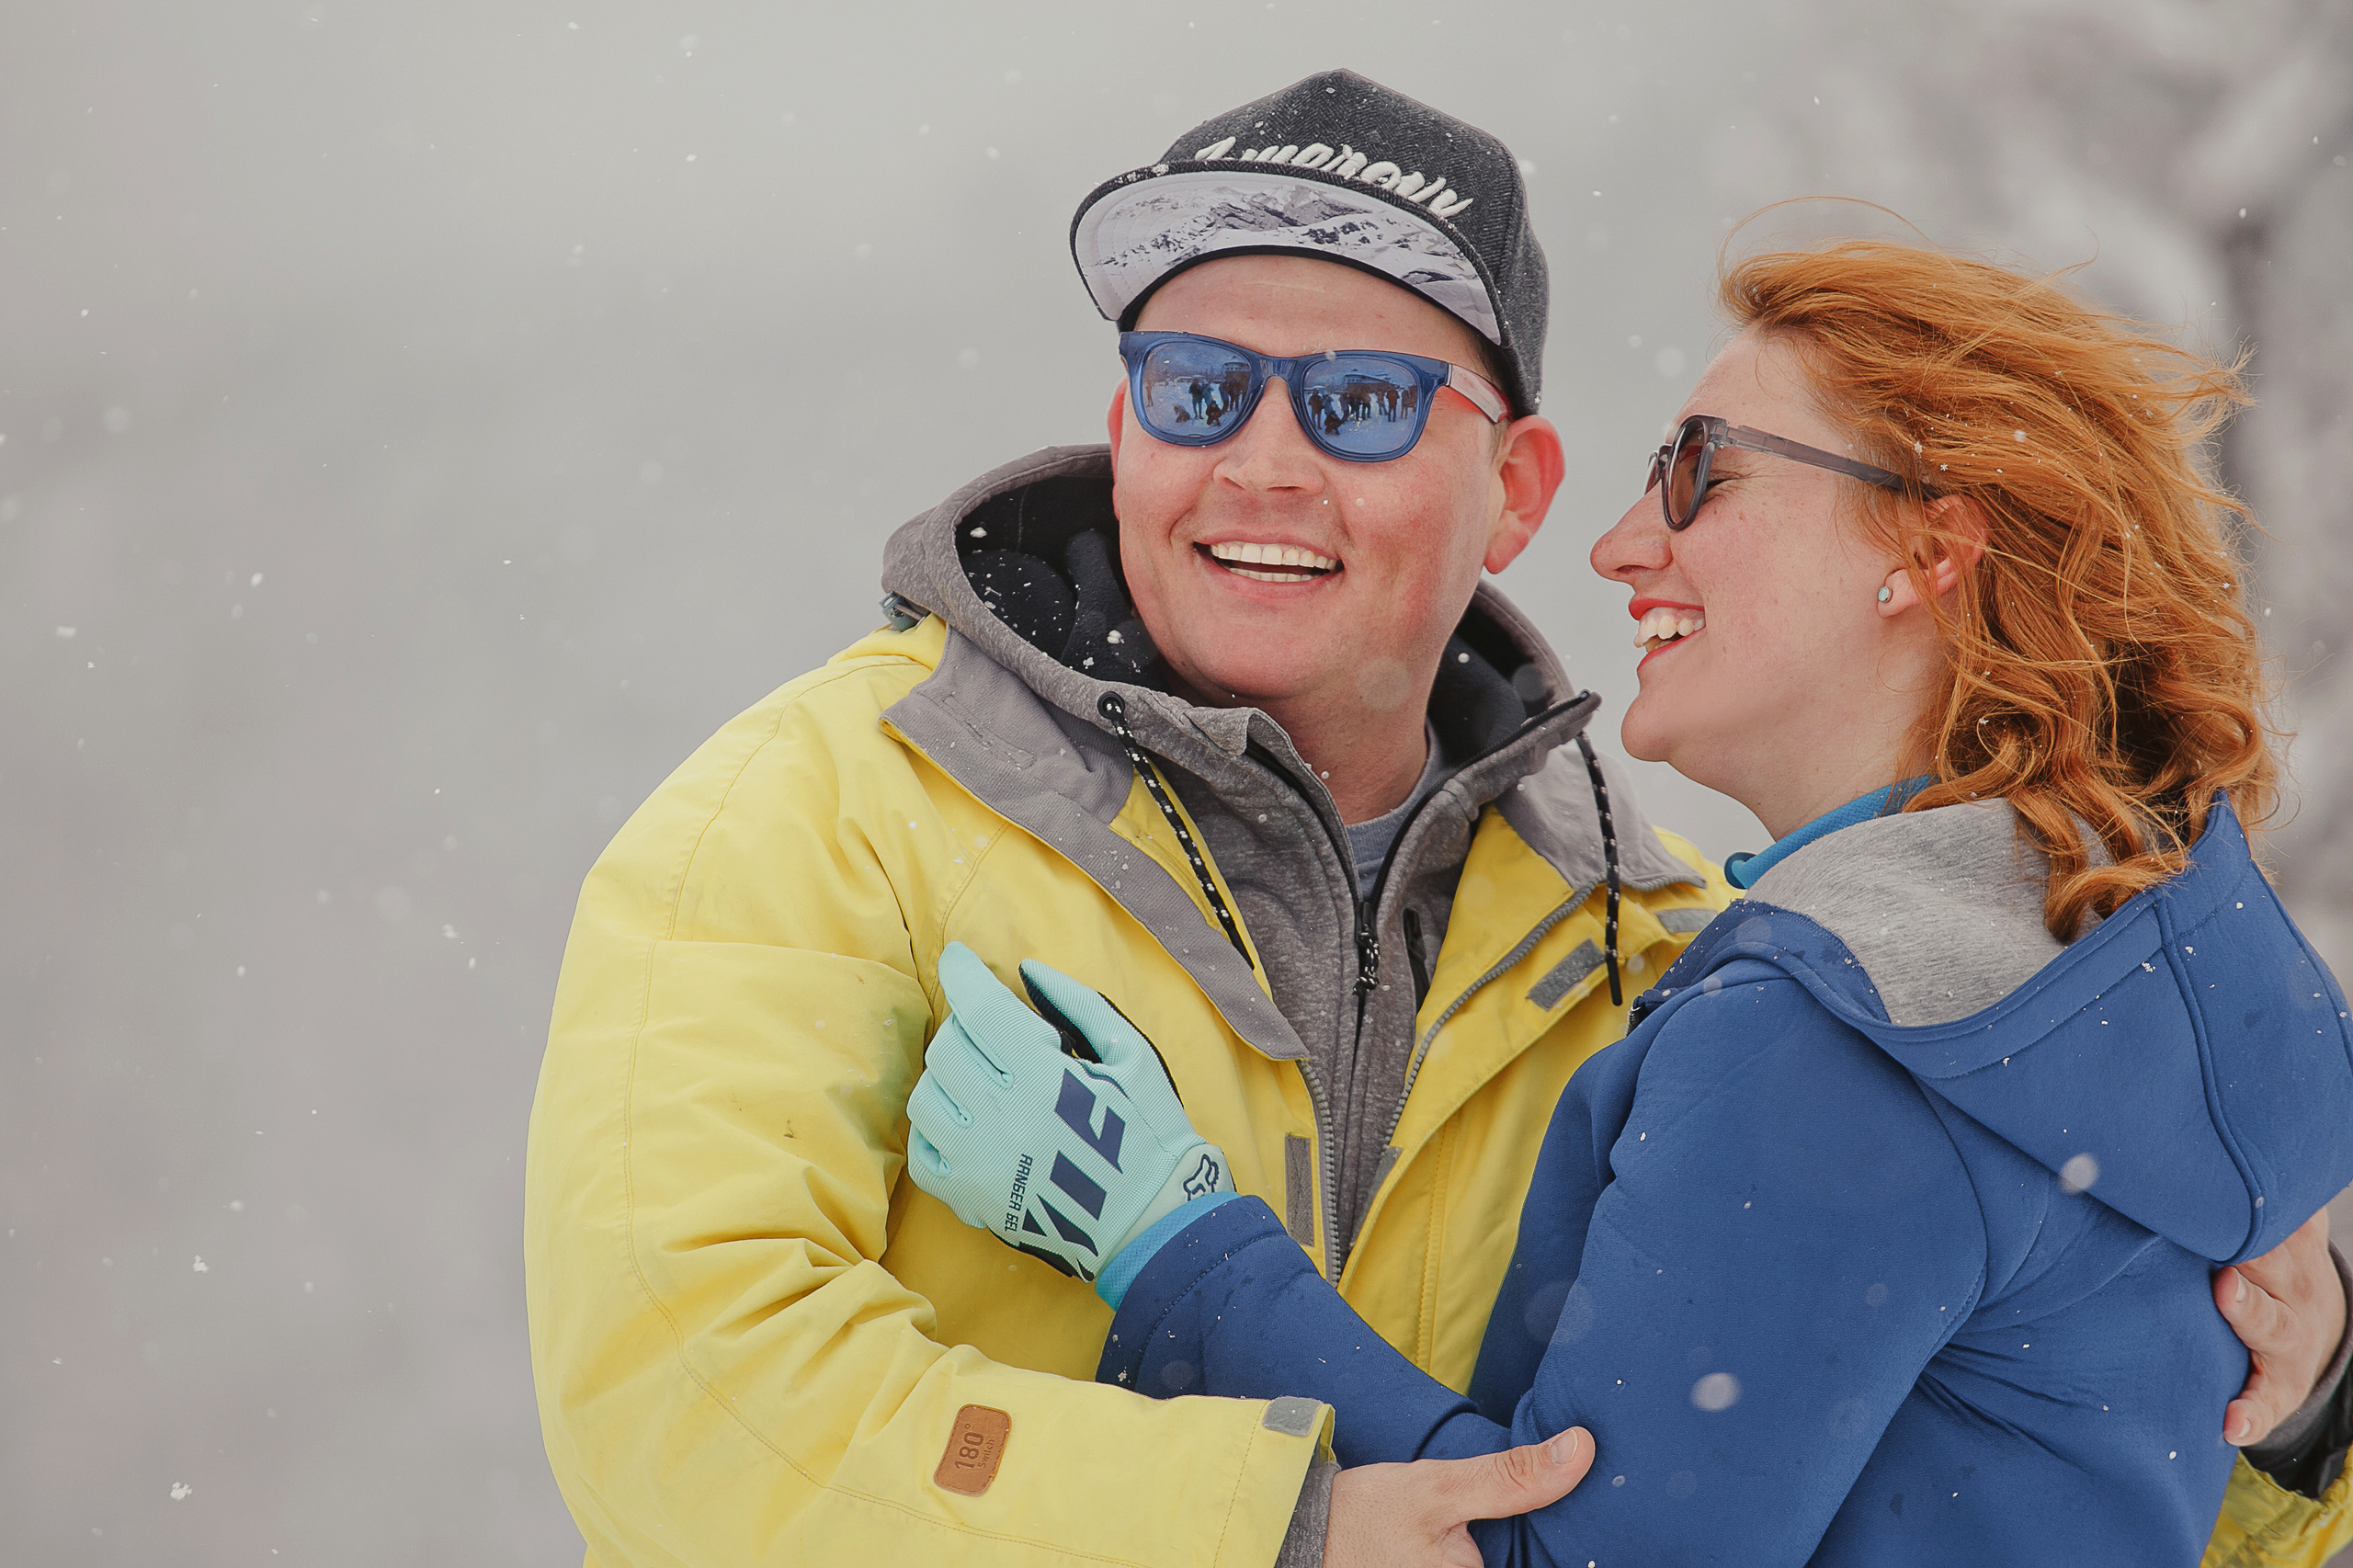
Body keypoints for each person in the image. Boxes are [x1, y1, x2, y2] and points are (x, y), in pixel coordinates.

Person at [522, 69, 2351, 1567]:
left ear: (1514, 491)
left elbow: (1965, 1493)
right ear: (1126, 428)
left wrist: (2301, 1408)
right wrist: (1261, 1524)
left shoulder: (1660, 951)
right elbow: (679, 1409)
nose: (1260, 458)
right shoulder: (825, 811)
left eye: (1361, 403)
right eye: (1194, 388)